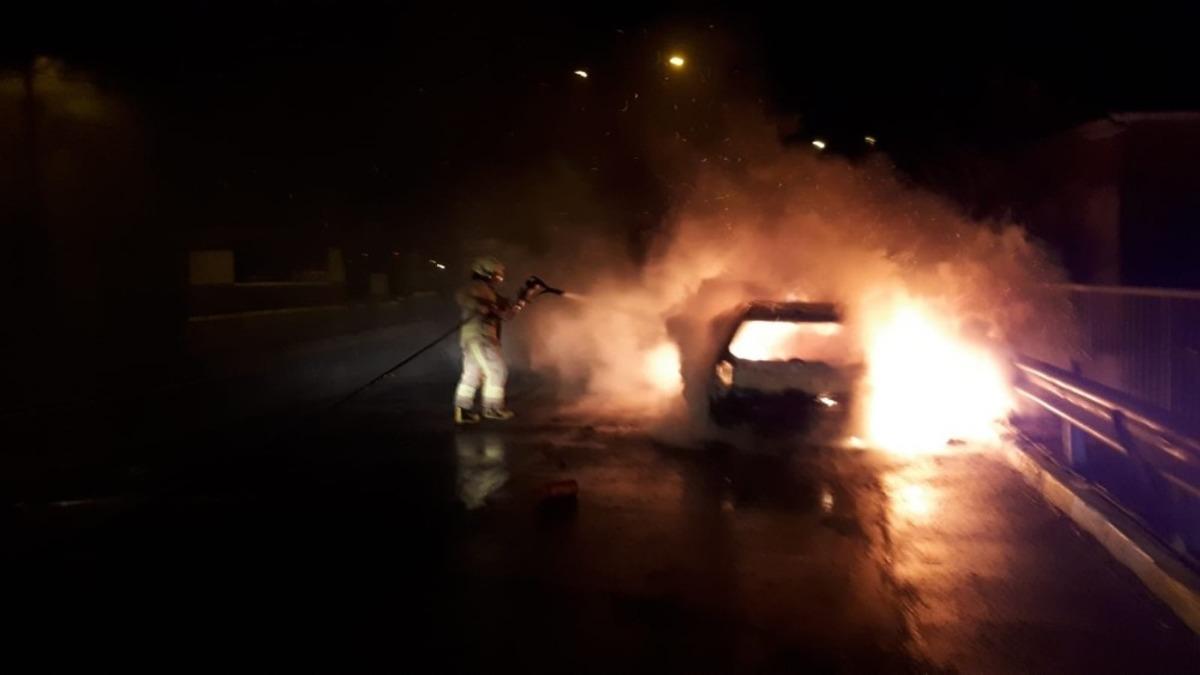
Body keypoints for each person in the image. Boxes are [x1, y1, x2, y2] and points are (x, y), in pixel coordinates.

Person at [454, 256, 524, 424]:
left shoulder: (488, 290)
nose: (498, 278)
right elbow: (462, 296)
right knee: (497, 371)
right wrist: (481, 306)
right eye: (496, 275)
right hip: (480, 336)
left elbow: (505, 312)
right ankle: (492, 409)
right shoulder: (476, 287)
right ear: (486, 273)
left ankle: (462, 411)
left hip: (477, 336)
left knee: (473, 374)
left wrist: (521, 300)